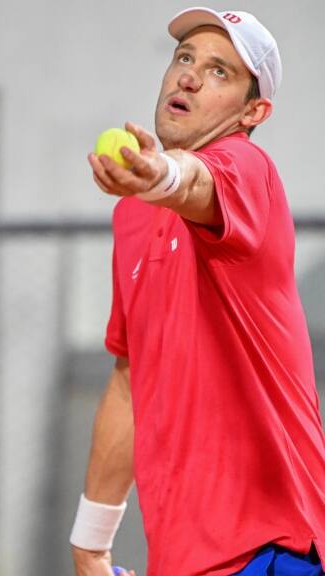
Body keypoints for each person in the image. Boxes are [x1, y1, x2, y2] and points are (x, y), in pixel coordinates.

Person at [73, 8, 325, 576]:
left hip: (272, 550)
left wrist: (160, 176)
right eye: (185, 59)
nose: (188, 76)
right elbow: (129, 379)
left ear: (252, 111)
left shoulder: (247, 168)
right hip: (183, 559)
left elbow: (196, 181)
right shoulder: (132, 218)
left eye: (219, 72)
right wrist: (91, 542)